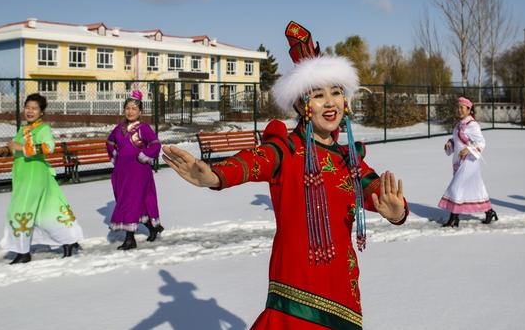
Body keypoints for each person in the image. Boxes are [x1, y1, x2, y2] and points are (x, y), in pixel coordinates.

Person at [163, 21, 408, 330]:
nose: (330, 102)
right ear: (302, 105)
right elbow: (252, 162)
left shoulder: (350, 160)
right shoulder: (284, 151)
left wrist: (397, 211)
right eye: (318, 95)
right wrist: (213, 176)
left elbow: (378, 192)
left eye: (336, 92)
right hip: (294, 286)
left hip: (343, 291)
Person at [0, 93, 84, 264]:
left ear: (41, 112)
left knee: (21, 211)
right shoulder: (23, 129)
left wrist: (21, 147)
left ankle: (23, 252)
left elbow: (48, 147)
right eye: (27, 107)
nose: (29, 111)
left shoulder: (44, 129)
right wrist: (4, 152)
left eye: (34, 108)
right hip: (23, 175)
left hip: (34, 175)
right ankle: (69, 240)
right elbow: (16, 149)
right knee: (46, 212)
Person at [106, 90, 163, 250]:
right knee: (135, 202)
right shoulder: (119, 128)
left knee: (130, 202)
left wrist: (145, 155)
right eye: (128, 108)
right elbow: (110, 143)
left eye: (134, 109)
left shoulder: (143, 128)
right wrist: (115, 156)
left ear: (140, 112)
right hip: (122, 172)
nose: (130, 111)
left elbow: (155, 144)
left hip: (138, 172)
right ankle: (153, 228)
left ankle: (130, 239)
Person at [438, 96, 498, 227]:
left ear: (469, 109)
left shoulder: (472, 125)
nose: (459, 110)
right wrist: (450, 144)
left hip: (469, 162)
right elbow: (457, 140)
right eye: (458, 107)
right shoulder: (458, 124)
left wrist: (469, 149)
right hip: (459, 162)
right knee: (476, 188)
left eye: (462, 108)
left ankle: (454, 218)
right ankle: (489, 212)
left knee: (456, 187)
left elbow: (481, 142)